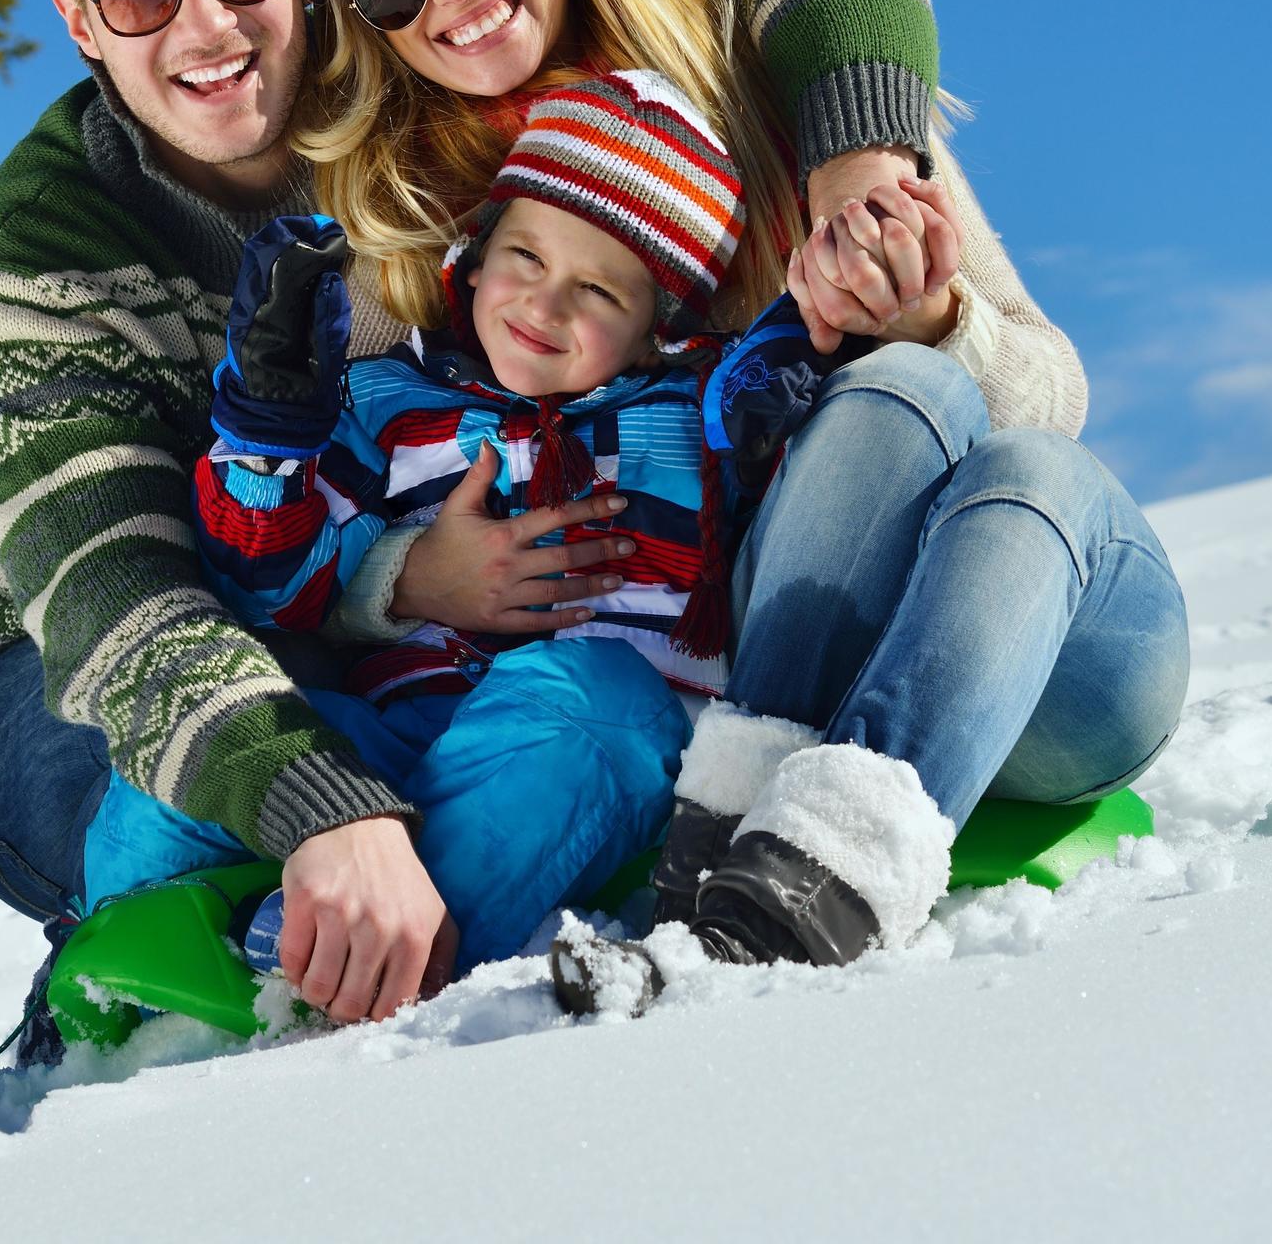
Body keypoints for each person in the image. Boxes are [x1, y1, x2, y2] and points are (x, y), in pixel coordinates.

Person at [0, 0, 965, 1038]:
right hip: (50, 668)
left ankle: (401, 921)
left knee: (578, 732)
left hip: (358, 623)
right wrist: (326, 791)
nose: (207, 26)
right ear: (80, 19)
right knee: (167, 795)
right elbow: (113, 602)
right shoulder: (43, 240)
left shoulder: (407, 59)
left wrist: (860, 180)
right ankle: (151, 999)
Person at [286, 0, 1191, 998]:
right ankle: (771, 853)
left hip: (1021, 650)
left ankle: (818, 834)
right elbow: (317, 513)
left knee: (962, 426)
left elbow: (1047, 394)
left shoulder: (775, 97)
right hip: (748, 678)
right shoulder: (402, 237)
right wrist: (407, 580)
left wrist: (923, 313)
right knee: (897, 410)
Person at [103, 71, 790, 971]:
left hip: (582, 771)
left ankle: (389, 952)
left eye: (600, 292)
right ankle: (121, 954)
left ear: (659, 331)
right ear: (474, 251)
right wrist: (269, 433)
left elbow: (784, 508)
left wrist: (775, 407)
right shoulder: (391, 401)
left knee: (600, 698)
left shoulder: (692, 417)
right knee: (212, 736)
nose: (543, 307)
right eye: (527, 259)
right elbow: (270, 587)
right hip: (400, 742)